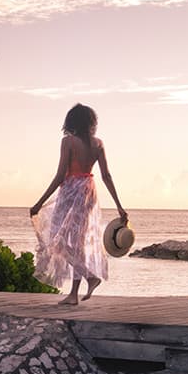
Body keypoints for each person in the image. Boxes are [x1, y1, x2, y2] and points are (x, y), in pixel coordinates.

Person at [29, 103, 128, 305]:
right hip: (88, 191)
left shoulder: (68, 142)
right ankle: (73, 294)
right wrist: (119, 206)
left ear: (71, 122)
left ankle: (90, 277)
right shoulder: (98, 144)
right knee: (78, 243)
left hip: (70, 190)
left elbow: (60, 176)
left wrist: (39, 203)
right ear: (91, 123)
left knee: (56, 240)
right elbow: (106, 176)